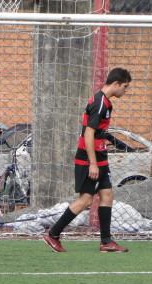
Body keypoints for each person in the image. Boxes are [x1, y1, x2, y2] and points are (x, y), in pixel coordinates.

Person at [43, 67, 132, 253]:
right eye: (125, 87)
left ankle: (106, 241)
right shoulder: (100, 103)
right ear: (116, 84)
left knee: (107, 194)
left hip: (100, 157)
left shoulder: (105, 102)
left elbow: (98, 132)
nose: (126, 90)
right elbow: (89, 133)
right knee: (85, 200)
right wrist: (92, 162)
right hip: (89, 159)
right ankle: (53, 234)